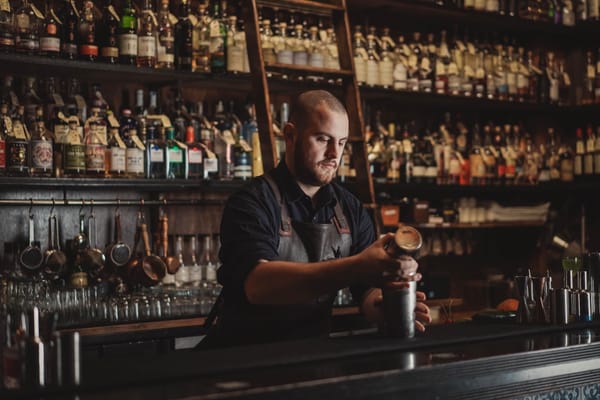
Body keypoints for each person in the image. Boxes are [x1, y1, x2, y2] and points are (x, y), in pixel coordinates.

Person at [204, 90, 430, 347]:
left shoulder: (349, 208)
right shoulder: (252, 201)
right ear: (290, 135)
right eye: (323, 139)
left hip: (313, 354)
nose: (335, 154)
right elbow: (258, 285)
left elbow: (366, 291)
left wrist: (387, 306)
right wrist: (356, 266)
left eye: (342, 142)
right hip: (243, 357)